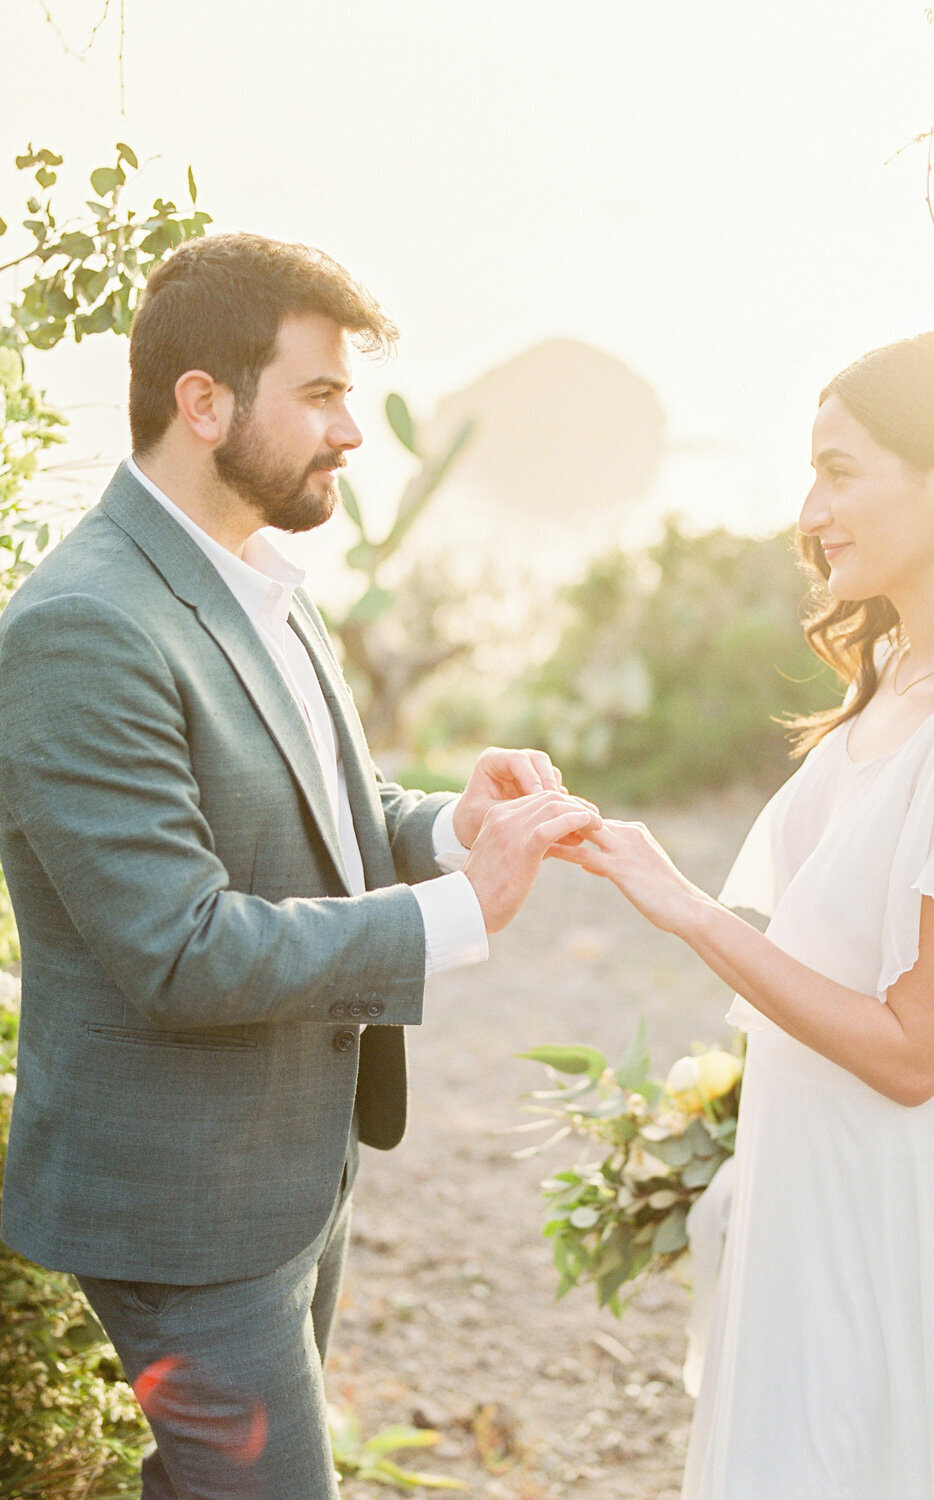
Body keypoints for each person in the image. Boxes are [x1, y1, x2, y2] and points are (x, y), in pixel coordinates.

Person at [0, 232, 599, 1500]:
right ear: (202, 403)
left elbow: (325, 809)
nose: (351, 431)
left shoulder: (263, 575)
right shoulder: (81, 626)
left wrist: (449, 824)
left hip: (287, 1168)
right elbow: (177, 947)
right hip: (183, 1211)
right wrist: (452, 912)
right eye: (319, 393)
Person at [555, 331, 934, 1499]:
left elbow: (916, 1053)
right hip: (805, 1184)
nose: (810, 510)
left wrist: (690, 914)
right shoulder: (897, 677)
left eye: (840, 471)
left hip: (883, 1206)